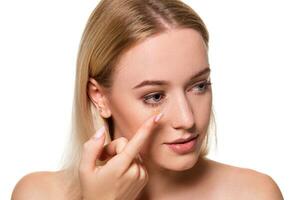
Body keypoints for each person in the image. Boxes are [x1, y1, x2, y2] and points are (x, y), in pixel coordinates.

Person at [11, 0, 284, 199]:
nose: (187, 119)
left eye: (199, 86)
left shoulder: (254, 193)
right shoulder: (37, 194)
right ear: (99, 97)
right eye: (155, 96)